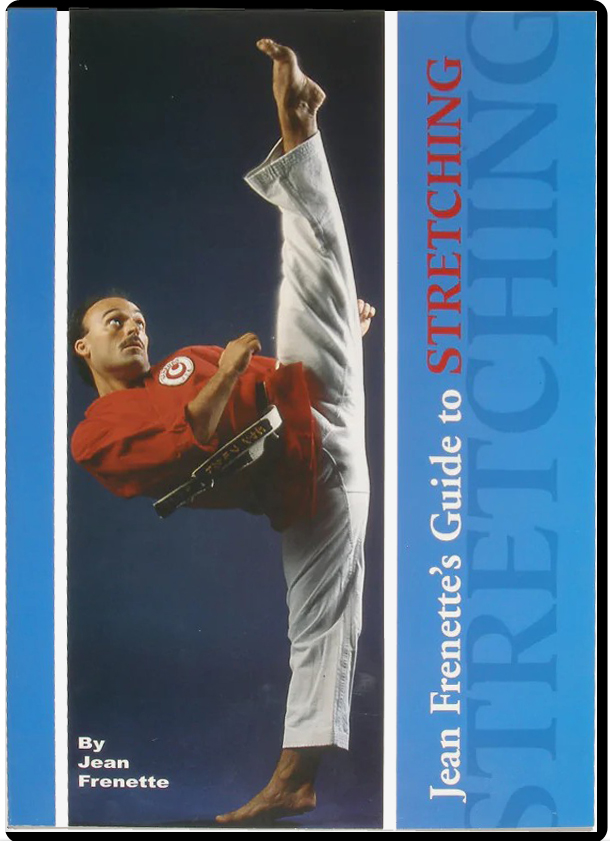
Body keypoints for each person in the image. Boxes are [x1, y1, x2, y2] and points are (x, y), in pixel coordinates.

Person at [70, 39, 376, 825]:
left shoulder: (184, 360)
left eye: (138, 318)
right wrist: (223, 373)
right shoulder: (97, 431)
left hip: (317, 401)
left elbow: (273, 368)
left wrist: (341, 335)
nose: (134, 326)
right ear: (83, 347)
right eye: (115, 321)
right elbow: (186, 446)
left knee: (309, 261)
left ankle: (298, 122)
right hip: (306, 486)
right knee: (318, 624)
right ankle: (294, 781)